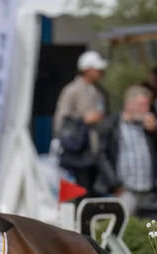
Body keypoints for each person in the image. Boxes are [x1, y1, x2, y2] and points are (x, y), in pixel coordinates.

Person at [53, 51, 109, 198]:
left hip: (95, 150)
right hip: (77, 152)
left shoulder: (100, 91)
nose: (100, 72)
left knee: (94, 190)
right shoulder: (72, 90)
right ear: (87, 70)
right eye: (97, 69)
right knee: (78, 190)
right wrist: (83, 120)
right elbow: (61, 120)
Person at [96, 85, 157, 216]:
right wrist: (114, 184)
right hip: (125, 189)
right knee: (121, 223)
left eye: (147, 105)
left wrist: (154, 131)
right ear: (129, 104)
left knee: (148, 227)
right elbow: (101, 156)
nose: (146, 109)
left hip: (146, 188)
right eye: (142, 105)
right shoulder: (112, 125)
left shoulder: (147, 127)